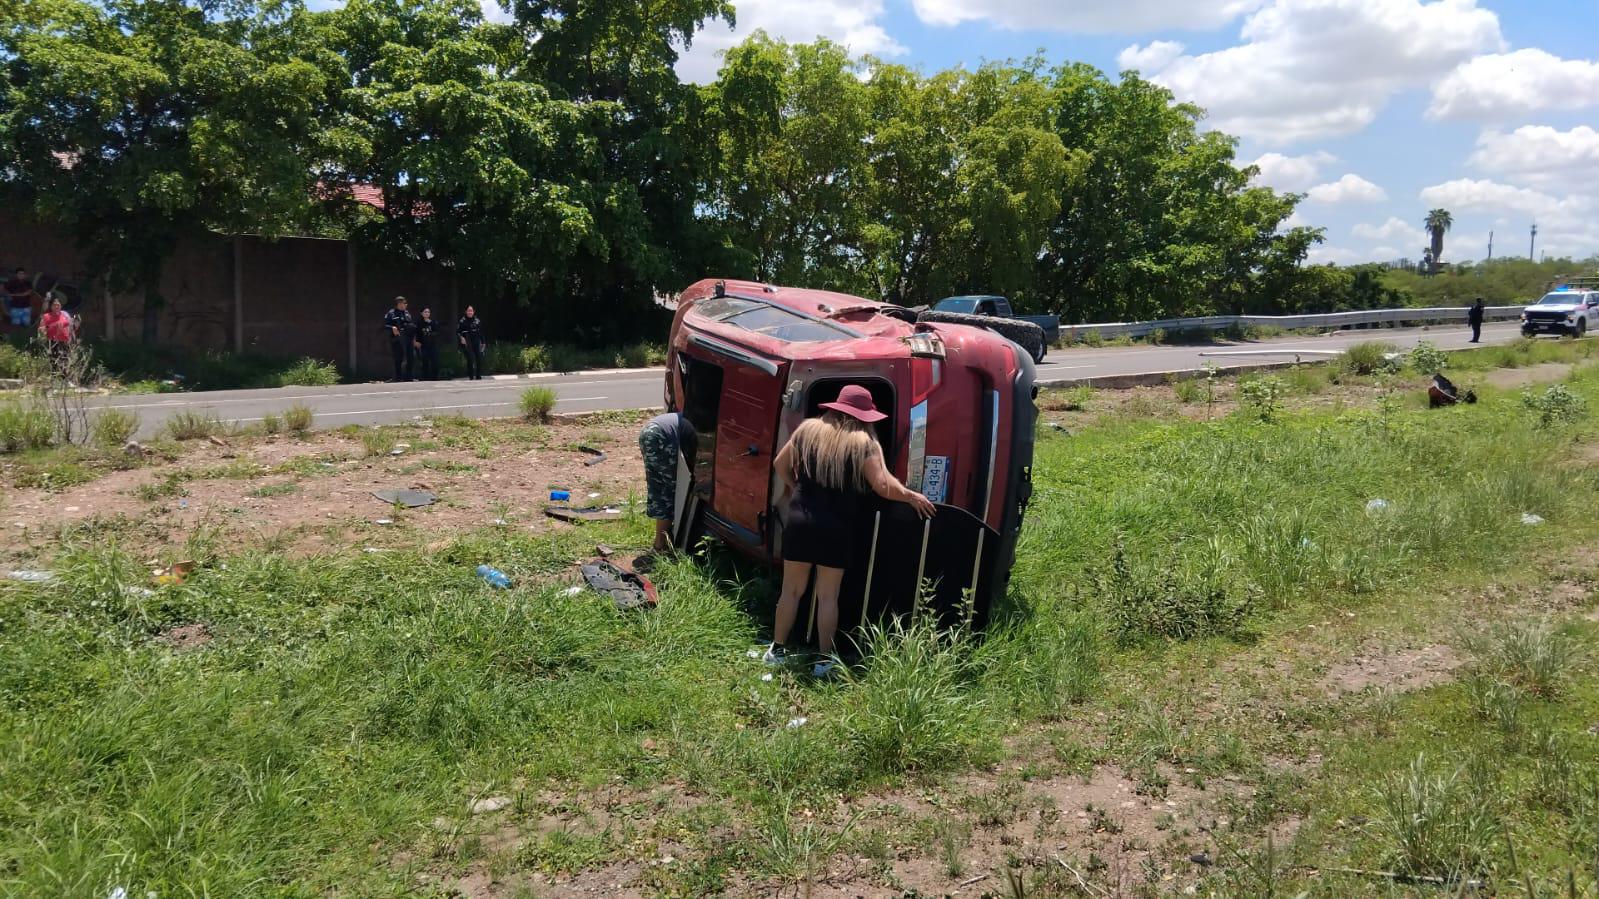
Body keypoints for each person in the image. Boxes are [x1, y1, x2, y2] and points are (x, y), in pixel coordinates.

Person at [765, 385, 935, 678]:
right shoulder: (863, 443)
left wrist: (796, 488)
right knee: (828, 596)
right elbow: (883, 486)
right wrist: (910, 495)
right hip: (836, 526)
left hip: (800, 520)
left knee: (791, 590)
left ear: (835, 406)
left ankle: (777, 650)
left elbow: (780, 463)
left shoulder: (808, 430)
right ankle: (823, 660)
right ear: (864, 415)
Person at [638, 411, 698, 556]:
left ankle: (659, 542)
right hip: (660, 437)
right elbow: (692, 460)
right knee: (670, 492)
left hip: (647, 433)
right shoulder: (695, 428)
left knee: (658, 488)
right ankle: (662, 545)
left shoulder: (685, 417)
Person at [37, 295, 75, 378]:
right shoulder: (46, 316)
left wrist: (72, 337)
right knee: (54, 361)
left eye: (58, 305)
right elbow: (41, 328)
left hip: (65, 341)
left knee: (66, 360)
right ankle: (54, 380)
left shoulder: (65, 315)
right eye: (54, 305)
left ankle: (65, 379)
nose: (57, 306)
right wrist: (49, 328)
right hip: (53, 341)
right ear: (51, 306)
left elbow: (71, 327)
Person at [382, 296, 415, 382]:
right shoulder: (391, 313)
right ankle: (398, 377)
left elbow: (410, 324)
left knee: (410, 357)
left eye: (405, 304)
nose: (405, 305)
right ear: (398, 304)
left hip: (408, 338)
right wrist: (392, 327)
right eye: (403, 303)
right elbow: (385, 325)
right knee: (398, 358)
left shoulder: (407, 313)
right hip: (398, 338)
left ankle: (409, 377)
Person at [458, 305, 485, 380]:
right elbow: (458, 332)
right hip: (467, 341)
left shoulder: (477, 320)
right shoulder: (462, 321)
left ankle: (478, 375)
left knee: (479, 358)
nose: (470, 312)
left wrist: (483, 342)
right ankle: (471, 376)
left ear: (473, 312)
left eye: (471, 311)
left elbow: (481, 332)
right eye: (468, 311)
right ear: (466, 312)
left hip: (476, 341)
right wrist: (461, 338)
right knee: (470, 359)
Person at [414, 306, 440, 380]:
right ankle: (425, 378)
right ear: (421, 313)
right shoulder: (418, 323)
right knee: (425, 362)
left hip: (432, 345)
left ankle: (434, 378)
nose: (427, 313)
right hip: (423, 345)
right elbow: (415, 333)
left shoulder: (433, 322)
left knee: (435, 361)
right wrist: (415, 342)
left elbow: (437, 332)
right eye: (425, 312)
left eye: (428, 312)